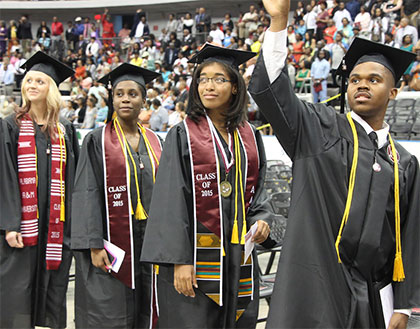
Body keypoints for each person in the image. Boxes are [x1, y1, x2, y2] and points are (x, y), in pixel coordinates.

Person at [249, 0, 420, 328]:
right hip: (316, 291)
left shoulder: (405, 162)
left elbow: (409, 238)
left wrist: (405, 305)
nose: (362, 85)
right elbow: (271, 91)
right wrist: (279, 23)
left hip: (375, 298)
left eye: (374, 79)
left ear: (394, 92)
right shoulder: (319, 129)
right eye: (355, 79)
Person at [141, 43, 272, 328]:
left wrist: (262, 222)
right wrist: (180, 260)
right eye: (203, 79)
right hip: (195, 260)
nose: (208, 86)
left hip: (238, 256)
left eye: (218, 79)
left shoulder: (250, 136)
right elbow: (169, 202)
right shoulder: (182, 135)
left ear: (235, 87)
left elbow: (259, 192)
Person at [71, 63, 162, 328]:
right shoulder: (96, 140)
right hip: (112, 242)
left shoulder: (156, 141)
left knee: (149, 304)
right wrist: (94, 243)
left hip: (150, 242)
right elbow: (86, 191)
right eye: (119, 93)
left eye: (132, 94)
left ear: (144, 100)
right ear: (112, 99)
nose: (125, 98)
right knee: (112, 310)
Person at [0, 51, 78, 328]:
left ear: (52, 89)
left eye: (40, 81)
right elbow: (4, 177)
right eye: (29, 80)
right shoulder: (10, 126)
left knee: (53, 294)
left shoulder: (65, 130)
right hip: (22, 230)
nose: (32, 85)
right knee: (17, 294)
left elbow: (74, 180)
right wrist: (10, 225)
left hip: (56, 229)